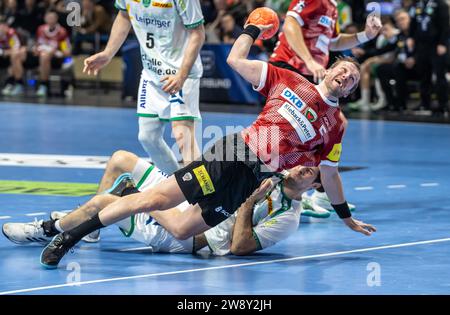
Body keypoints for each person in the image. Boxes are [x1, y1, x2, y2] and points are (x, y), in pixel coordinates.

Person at [40, 22, 376, 269]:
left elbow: (329, 176)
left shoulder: (335, 126)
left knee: (184, 228)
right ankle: (69, 237)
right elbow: (234, 60)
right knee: (153, 200)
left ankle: (132, 195)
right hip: (232, 154)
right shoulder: (290, 80)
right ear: (330, 70)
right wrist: (253, 29)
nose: (346, 77)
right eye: (343, 70)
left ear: (349, 92)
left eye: (352, 80)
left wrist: (345, 217)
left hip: (251, 179)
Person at [3, 150, 325, 256]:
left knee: (105, 201)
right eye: (302, 161)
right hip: (191, 201)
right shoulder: (274, 172)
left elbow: (240, 246)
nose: (302, 166)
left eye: (311, 169)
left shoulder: (288, 217)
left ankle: (47, 230)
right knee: (121, 160)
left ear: (315, 185)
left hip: (186, 236)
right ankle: (92, 231)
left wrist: (248, 204)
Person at [83, 0, 205, 174]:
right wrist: (108, 53)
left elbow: (198, 33)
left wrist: (182, 74)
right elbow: (124, 16)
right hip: (152, 73)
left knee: (183, 137)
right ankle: (175, 186)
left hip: (180, 73)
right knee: (147, 137)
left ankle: (203, 197)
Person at [269, 0, 382, 83]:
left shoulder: (333, 8)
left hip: (310, 73)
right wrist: (310, 61)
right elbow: (290, 24)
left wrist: (366, 35)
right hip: (287, 66)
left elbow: (334, 42)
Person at [10, 10, 71, 97]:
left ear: (56, 19)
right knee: (17, 54)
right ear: (45, 19)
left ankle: (44, 85)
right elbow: (37, 44)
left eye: (52, 17)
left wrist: (55, 51)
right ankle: (19, 84)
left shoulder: (62, 32)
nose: (50, 19)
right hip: (38, 56)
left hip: (55, 59)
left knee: (44, 55)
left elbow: (66, 51)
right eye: (48, 17)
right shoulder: (41, 29)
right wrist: (34, 49)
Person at [408, 0, 449, 113]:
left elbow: (445, 25)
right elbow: (413, 22)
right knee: (424, 76)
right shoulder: (417, 4)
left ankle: (443, 104)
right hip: (421, 46)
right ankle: (425, 103)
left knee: (440, 76)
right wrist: (410, 37)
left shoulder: (440, 4)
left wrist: (442, 43)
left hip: (436, 45)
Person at [0, 20, 22, 96]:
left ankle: (15, 84)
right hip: (2, 57)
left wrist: (5, 52)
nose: (2, 29)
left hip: (12, 57)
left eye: (4, 26)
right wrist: (3, 52)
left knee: (14, 57)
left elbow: (16, 48)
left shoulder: (11, 34)